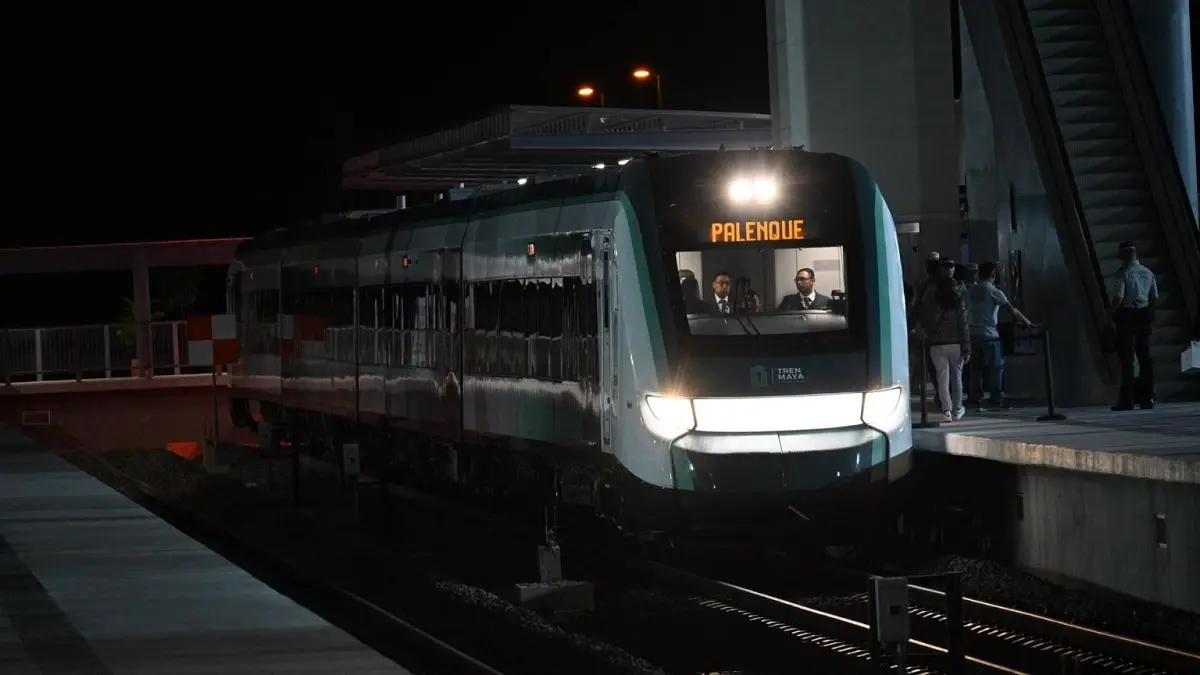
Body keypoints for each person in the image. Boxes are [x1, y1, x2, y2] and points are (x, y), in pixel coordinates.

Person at [968, 261, 1033, 411]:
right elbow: (1012, 310)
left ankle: (975, 399)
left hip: (972, 334)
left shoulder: (971, 290)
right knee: (996, 368)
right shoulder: (994, 291)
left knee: (976, 369)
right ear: (993, 275)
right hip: (989, 334)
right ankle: (996, 399)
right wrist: (1027, 322)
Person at [1108, 241, 1158, 410]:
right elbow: (1154, 297)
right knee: (1145, 358)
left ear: (1123, 255)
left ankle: (1127, 400)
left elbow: (1118, 298)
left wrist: (1109, 316)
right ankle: (1147, 398)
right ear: (1136, 254)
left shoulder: (1122, 273)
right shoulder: (1148, 273)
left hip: (1127, 317)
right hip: (1144, 316)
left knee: (1128, 360)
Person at [918, 272, 970, 422]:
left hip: (936, 345)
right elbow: (964, 326)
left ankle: (946, 410)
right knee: (957, 377)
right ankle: (957, 409)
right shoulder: (959, 304)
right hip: (956, 344)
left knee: (942, 378)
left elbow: (925, 322)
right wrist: (967, 347)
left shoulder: (933, 304)